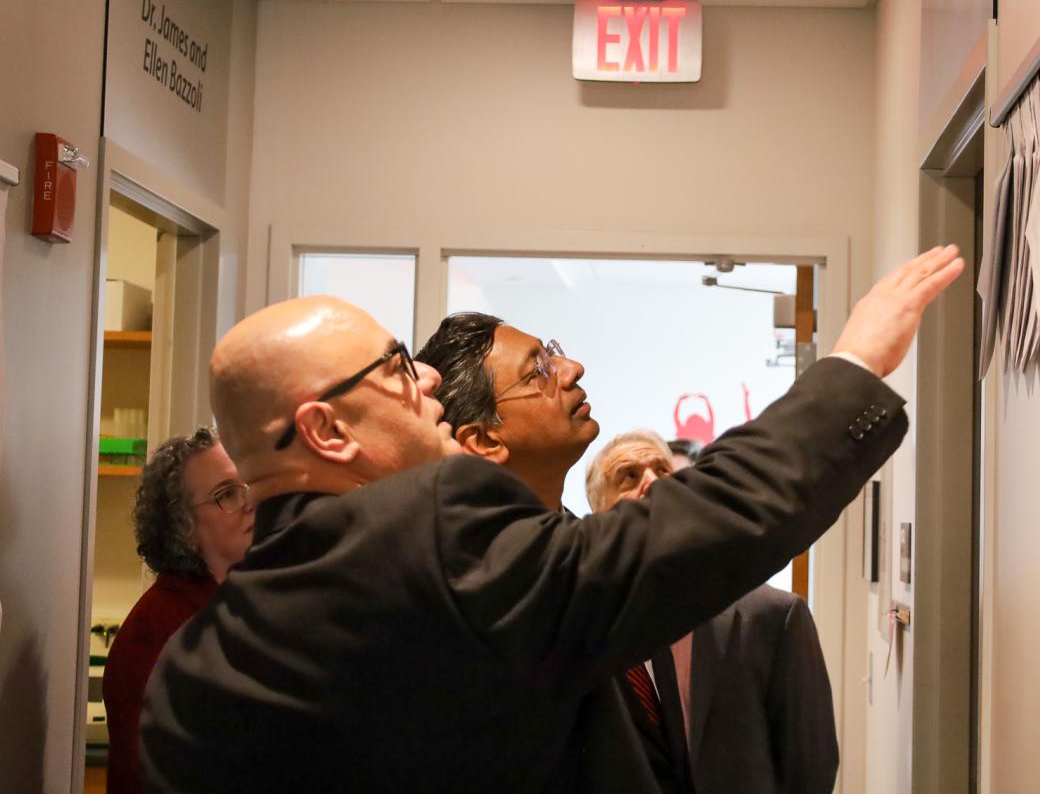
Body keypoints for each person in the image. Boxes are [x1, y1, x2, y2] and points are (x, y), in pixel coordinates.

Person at [141, 245, 963, 792]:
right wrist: (855, 367)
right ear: (326, 430)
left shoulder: (188, 682)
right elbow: (689, 530)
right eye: (395, 369)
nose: (425, 381)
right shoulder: (434, 533)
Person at [586, 431, 838, 794]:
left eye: (664, 471)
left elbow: (810, 766)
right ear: (597, 515)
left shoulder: (772, 616)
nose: (653, 483)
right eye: (628, 475)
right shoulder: (584, 626)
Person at [101, 428, 254, 794]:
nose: (251, 502)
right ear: (183, 528)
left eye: (251, 484)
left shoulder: (241, 602)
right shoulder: (157, 631)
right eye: (227, 494)